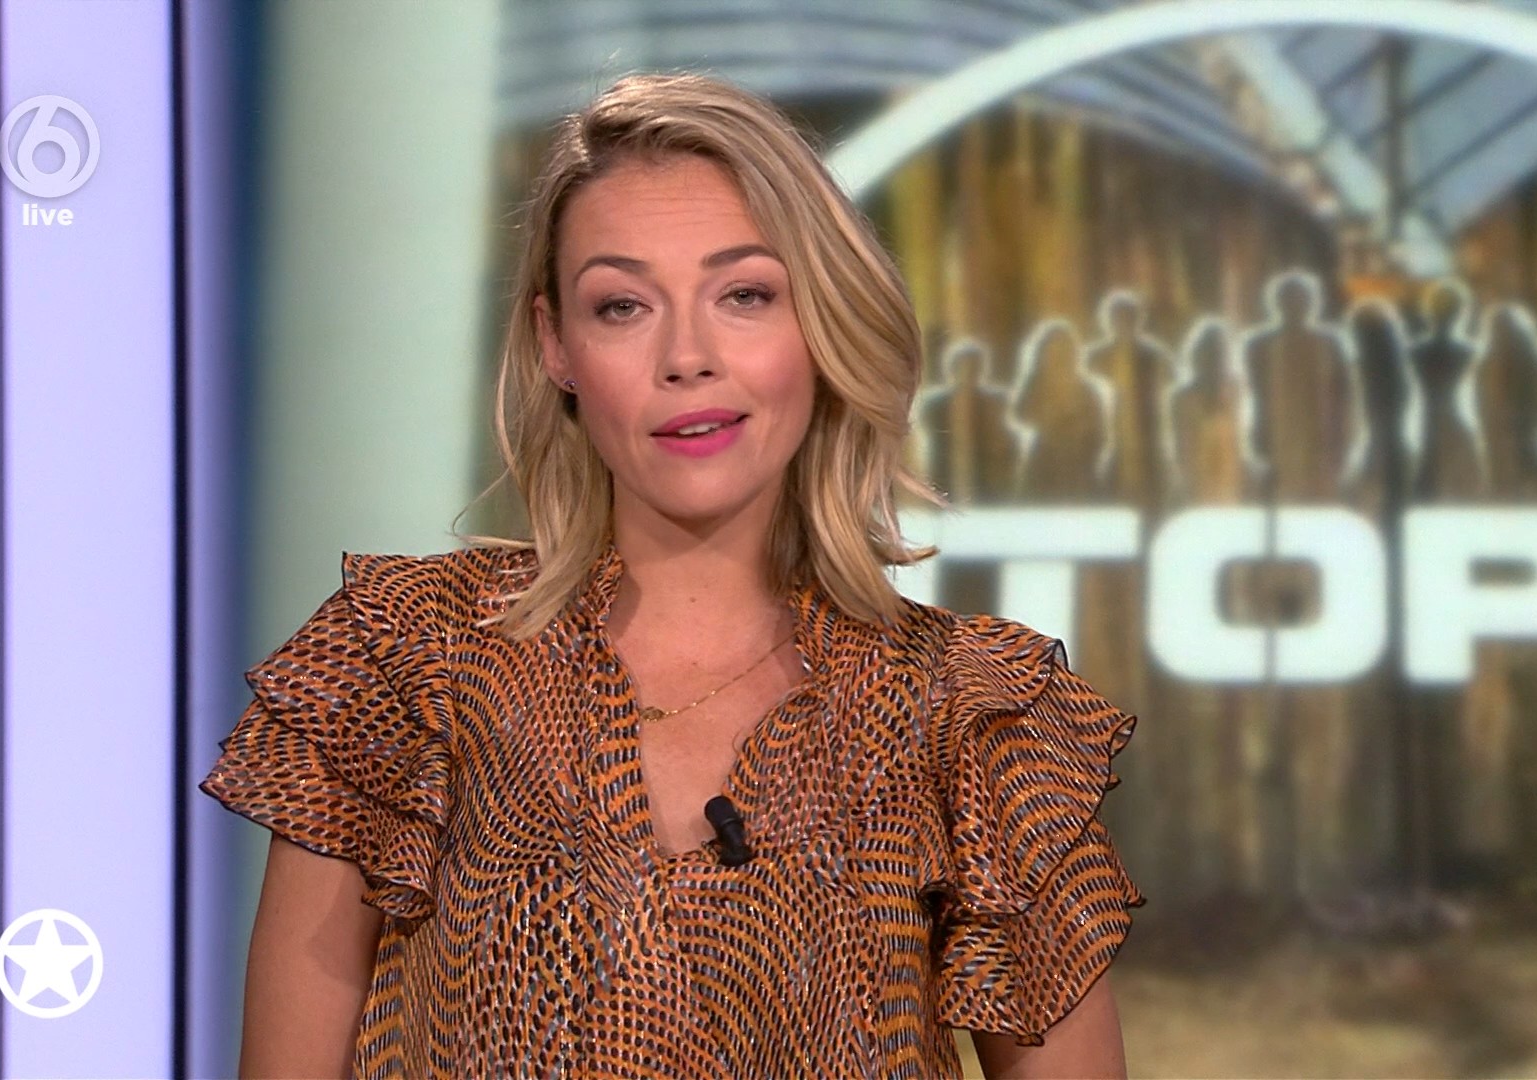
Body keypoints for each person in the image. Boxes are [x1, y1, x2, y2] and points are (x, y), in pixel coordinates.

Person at [200, 71, 1144, 1080]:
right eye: (622, 306)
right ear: (557, 345)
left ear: (821, 324)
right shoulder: (402, 656)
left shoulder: (970, 713)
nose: (687, 357)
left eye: (744, 295)